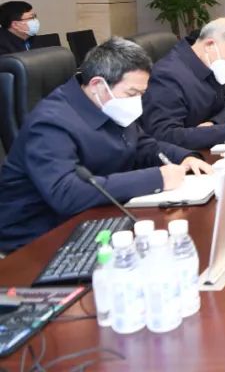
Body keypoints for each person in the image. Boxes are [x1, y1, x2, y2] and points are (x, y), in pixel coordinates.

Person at [0, 38, 212, 253]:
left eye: (141, 94)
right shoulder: (49, 123)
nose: (137, 101)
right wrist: (157, 179)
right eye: (132, 94)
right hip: (37, 238)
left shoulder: (108, 104)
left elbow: (142, 145)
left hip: (95, 216)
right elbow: (66, 193)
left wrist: (185, 157)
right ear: (98, 85)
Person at [141, 18, 225, 150]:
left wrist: (215, 124)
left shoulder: (213, 65)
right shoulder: (166, 76)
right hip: (183, 156)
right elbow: (164, 135)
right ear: (209, 45)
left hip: (207, 147)